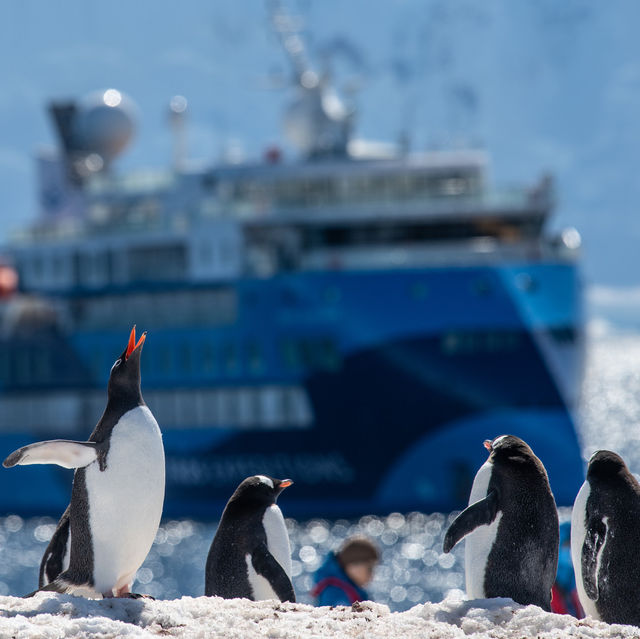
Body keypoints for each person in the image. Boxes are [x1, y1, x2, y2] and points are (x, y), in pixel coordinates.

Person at [311, 536, 380, 606]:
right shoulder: (336, 594)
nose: (372, 575)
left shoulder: (348, 588)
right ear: (354, 567)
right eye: (369, 569)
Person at [551, 521, 584, 618]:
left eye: (574, 545)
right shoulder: (545, 591)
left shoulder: (578, 590)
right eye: (566, 545)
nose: (571, 550)